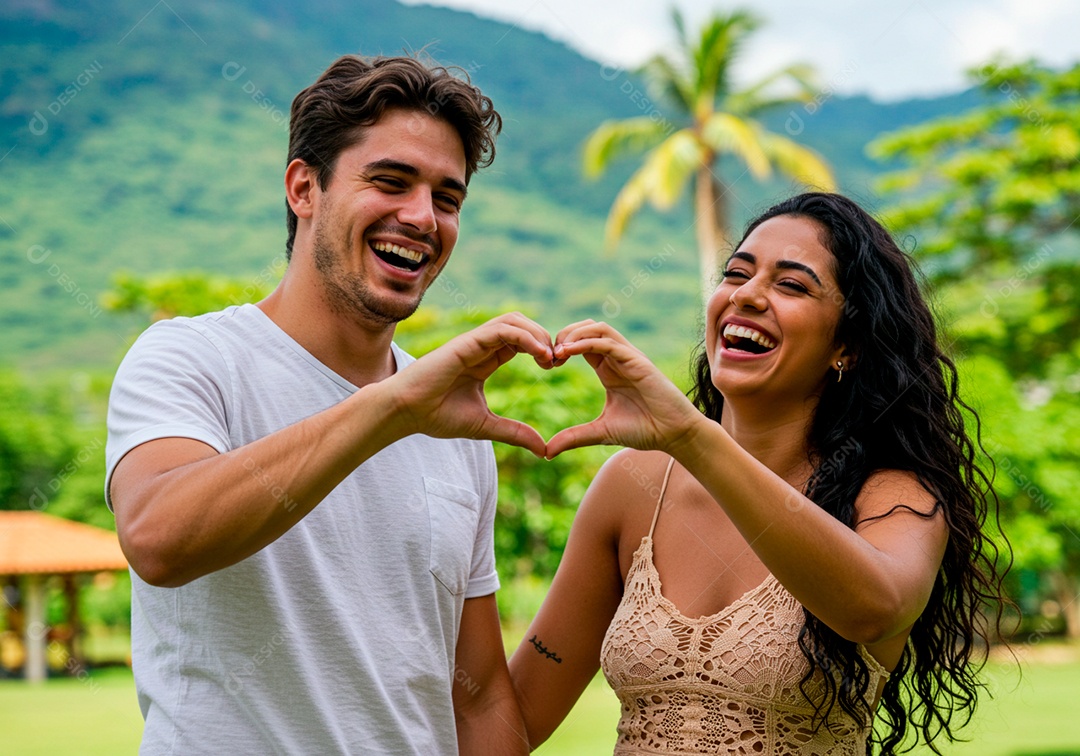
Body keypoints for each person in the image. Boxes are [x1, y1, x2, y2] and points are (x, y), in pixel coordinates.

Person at [106, 54, 549, 755]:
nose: (421, 217)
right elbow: (159, 539)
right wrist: (391, 409)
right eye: (391, 181)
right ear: (303, 188)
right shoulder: (190, 357)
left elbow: (479, 693)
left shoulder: (457, 425)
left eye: (447, 197)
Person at [509, 192, 1008, 754]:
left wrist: (691, 437)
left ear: (847, 344)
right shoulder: (634, 485)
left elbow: (875, 609)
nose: (746, 295)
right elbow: (514, 718)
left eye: (791, 285)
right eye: (736, 274)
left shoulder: (893, 493)